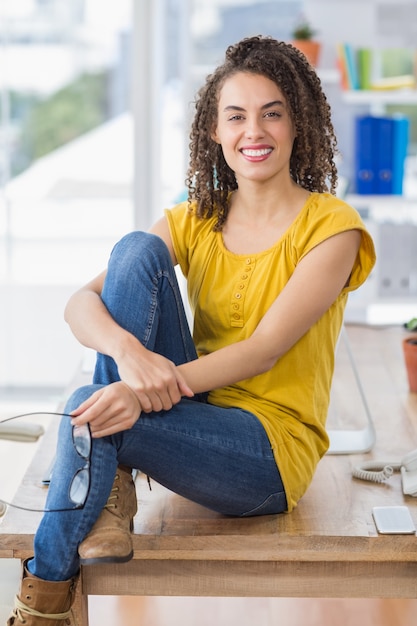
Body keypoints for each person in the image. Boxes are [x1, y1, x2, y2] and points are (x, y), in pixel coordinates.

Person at [8, 35, 375, 625]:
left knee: (87, 411)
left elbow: (263, 350)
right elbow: (81, 303)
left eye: (272, 114)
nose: (253, 132)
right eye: (237, 116)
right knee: (134, 253)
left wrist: (140, 390)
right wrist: (128, 357)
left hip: (265, 456)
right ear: (215, 131)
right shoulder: (198, 217)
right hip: (190, 412)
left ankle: (39, 604)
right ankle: (112, 481)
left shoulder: (333, 229)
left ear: (298, 124)